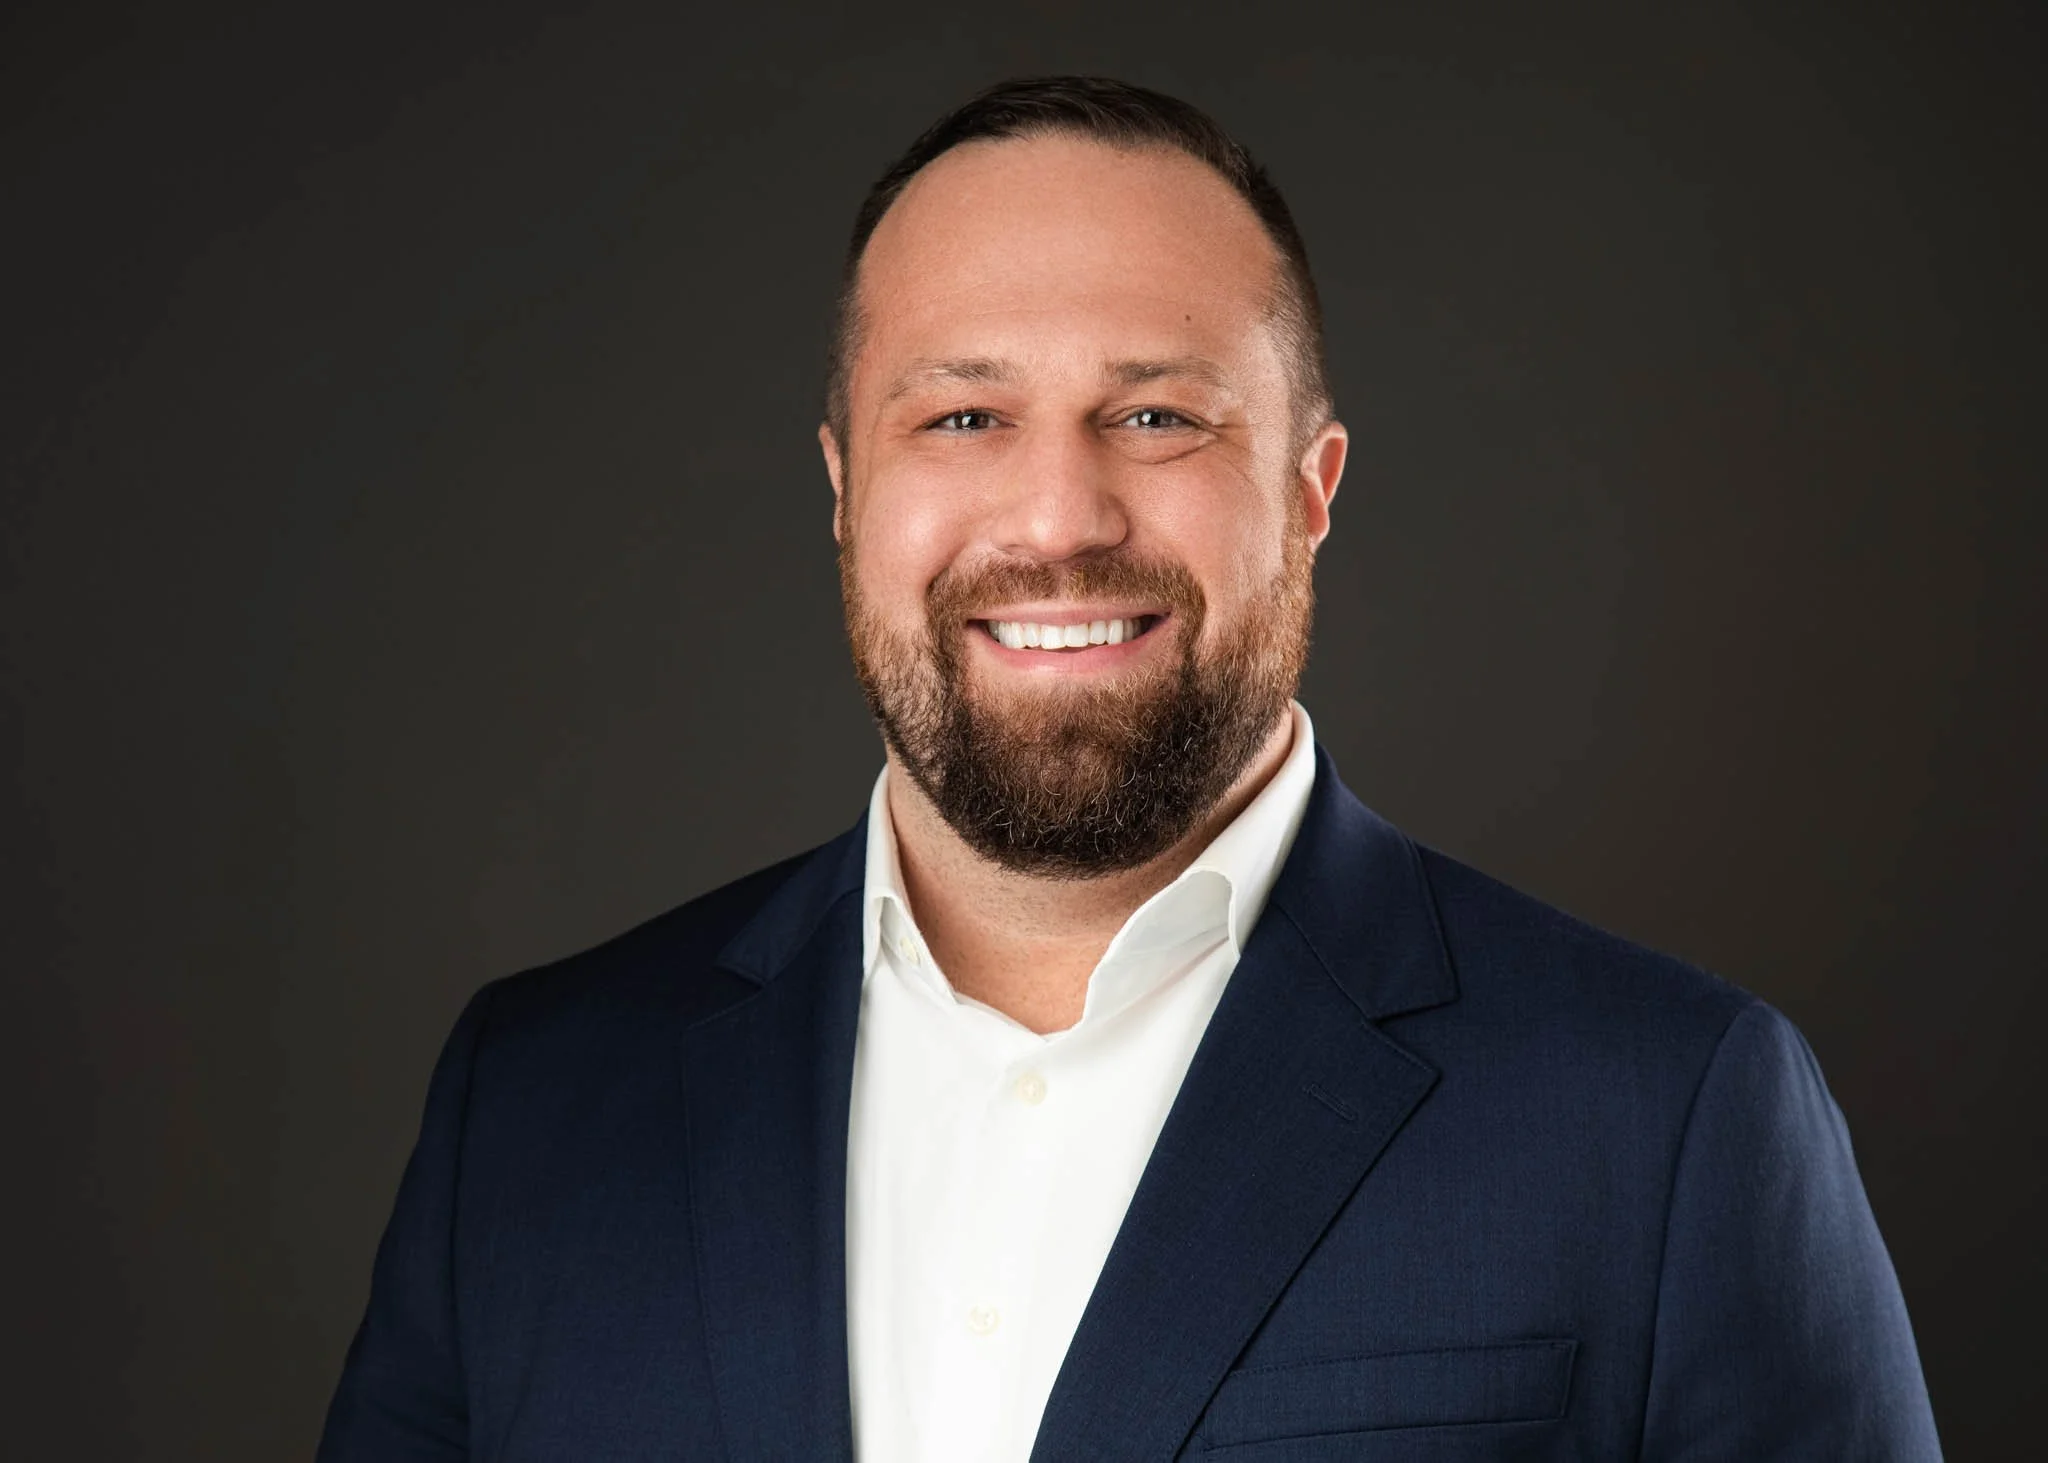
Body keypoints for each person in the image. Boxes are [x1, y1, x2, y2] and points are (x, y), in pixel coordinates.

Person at [317, 77, 1941, 1461]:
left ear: (1310, 491)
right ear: (842, 491)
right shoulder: (528, 1108)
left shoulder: (1669, 1116)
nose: (1058, 518)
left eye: (1158, 417)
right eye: (961, 419)